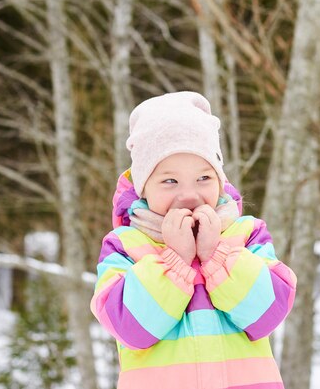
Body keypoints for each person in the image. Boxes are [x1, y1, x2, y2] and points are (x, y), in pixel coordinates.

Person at [90, 91, 297, 389]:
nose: (189, 195)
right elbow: (129, 329)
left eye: (203, 178)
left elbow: (267, 315)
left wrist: (217, 255)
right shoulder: (124, 245)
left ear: (220, 180)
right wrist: (176, 260)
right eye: (170, 181)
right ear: (143, 188)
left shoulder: (245, 234)